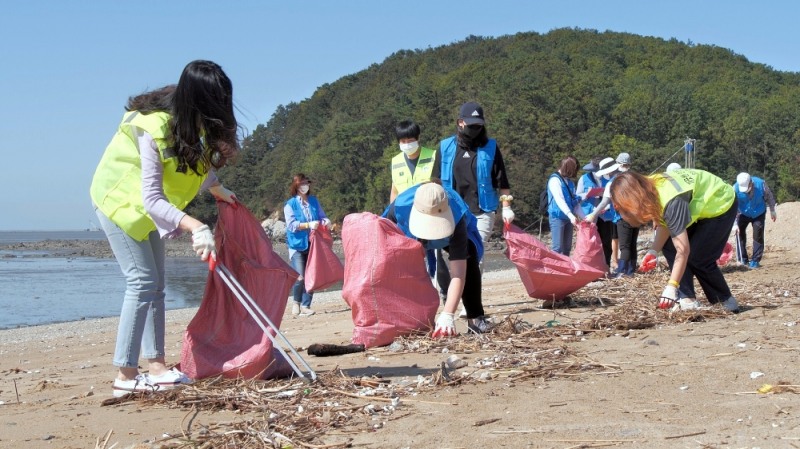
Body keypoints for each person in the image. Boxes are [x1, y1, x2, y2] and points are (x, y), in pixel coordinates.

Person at [90, 60, 239, 397]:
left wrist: (217, 188)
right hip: (119, 204)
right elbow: (154, 198)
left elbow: (191, 164)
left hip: (145, 212)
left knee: (156, 285)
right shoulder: (152, 125)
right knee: (141, 281)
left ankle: (156, 367)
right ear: (196, 98)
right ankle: (126, 375)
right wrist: (196, 227)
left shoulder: (193, 122)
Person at [610, 169, 740, 312]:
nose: (623, 217)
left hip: (720, 202)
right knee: (669, 245)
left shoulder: (670, 200)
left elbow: (683, 249)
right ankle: (687, 299)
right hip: (696, 204)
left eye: (623, 212)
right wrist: (653, 251)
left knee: (698, 257)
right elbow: (668, 225)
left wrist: (672, 286)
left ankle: (725, 300)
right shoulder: (650, 189)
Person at [384, 182, 490, 336]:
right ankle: (411, 320)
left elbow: (458, 275)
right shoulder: (399, 208)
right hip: (410, 232)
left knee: (469, 258)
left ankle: (476, 319)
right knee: (404, 269)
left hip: (450, 233)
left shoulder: (457, 215)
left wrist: (448, 314)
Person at [284, 173, 332, 316]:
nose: (304, 186)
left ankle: (306, 305)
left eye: (306, 183)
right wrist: (307, 225)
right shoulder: (290, 204)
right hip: (297, 245)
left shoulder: (314, 201)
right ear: (296, 186)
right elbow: (291, 225)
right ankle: (296, 302)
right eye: (301, 183)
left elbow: (321, 216)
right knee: (300, 276)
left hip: (313, 243)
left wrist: (325, 221)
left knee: (312, 275)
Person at [577, 157, 616, 268]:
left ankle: (606, 266)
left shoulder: (609, 178)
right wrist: (588, 194)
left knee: (606, 241)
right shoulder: (584, 178)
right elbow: (577, 196)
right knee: (591, 243)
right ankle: (592, 267)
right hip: (589, 214)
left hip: (606, 214)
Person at [733, 172, 777, 269]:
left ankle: (755, 260)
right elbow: (733, 207)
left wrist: (772, 210)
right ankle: (742, 259)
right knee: (739, 234)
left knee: (758, 235)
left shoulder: (761, 184)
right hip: (742, 213)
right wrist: (735, 224)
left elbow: (769, 196)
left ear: (751, 183)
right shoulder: (735, 189)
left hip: (758, 213)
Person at [389, 120, 438, 202]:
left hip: (428, 209)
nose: (407, 144)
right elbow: (394, 191)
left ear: (418, 138)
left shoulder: (434, 156)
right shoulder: (395, 162)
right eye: (403, 141)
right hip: (403, 211)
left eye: (410, 141)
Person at [546, 156, 583, 256]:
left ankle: (566, 269)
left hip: (568, 218)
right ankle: (555, 270)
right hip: (557, 217)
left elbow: (574, 203)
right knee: (557, 247)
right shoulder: (554, 180)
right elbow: (559, 199)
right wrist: (571, 215)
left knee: (567, 248)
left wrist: (584, 218)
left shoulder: (570, 182)